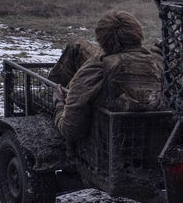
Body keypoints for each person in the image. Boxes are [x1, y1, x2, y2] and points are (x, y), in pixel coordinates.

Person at [53, 10, 164, 144]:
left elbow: (71, 130)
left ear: (101, 40)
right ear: (138, 34)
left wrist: (59, 104)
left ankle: (51, 90)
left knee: (77, 46)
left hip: (104, 146)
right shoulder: (160, 66)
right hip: (152, 145)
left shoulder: (95, 70)